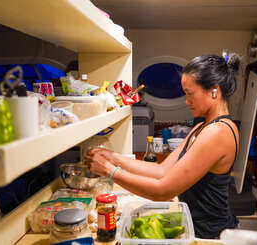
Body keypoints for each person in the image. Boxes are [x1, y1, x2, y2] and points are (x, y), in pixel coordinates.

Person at [85, 53, 240, 239]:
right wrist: (114, 157)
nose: (186, 101)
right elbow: (162, 170)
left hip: (211, 235)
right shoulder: (202, 127)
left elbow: (163, 190)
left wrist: (110, 171)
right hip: (197, 228)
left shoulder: (218, 132)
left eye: (190, 93)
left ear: (214, 91)